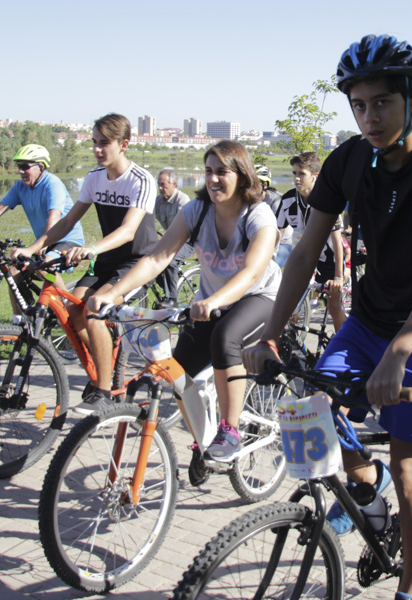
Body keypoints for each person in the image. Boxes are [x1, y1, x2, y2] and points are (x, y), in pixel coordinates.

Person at [243, 35, 412, 600]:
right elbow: (304, 252)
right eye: (358, 105)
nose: (369, 116)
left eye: (382, 102)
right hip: (368, 320)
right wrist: (271, 334)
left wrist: (401, 349)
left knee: (409, 470)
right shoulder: (349, 160)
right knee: (314, 415)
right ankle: (370, 501)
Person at [89, 140, 280, 474]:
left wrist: (213, 301)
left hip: (260, 297)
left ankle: (230, 429)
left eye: (222, 172)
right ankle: (201, 442)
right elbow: (158, 257)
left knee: (225, 339)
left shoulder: (257, 213)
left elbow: (251, 273)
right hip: (211, 302)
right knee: (179, 373)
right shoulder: (196, 210)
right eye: (208, 171)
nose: (213, 179)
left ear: (242, 175)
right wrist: (115, 293)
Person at [14, 113, 158, 413]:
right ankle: (102, 359)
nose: (97, 149)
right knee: (72, 311)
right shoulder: (94, 178)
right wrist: (33, 248)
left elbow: (128, 230)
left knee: (94, 308)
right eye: (94, 143)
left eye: (104, 143)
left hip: (135, 261)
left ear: (124, 145)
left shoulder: (141, 180)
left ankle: (103, 392)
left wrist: (91, 247)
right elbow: (68, 220)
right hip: (106, 258)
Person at [0, 144, 85, 321]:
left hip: (67, 238)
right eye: (19, 166)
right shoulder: (21, 187)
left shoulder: (52, 184)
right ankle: (19, 322)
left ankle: (68, 309)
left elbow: (54, 215)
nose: (20, 171)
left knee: (46, 265)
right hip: (43, 240)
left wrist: (44, 244)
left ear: (41, 167)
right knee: (13, 271)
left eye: (25, 166)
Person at [274, 152, 348, 330]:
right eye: (294, 173)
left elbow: (337, 241)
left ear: (315, 176)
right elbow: (277, 233)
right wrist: (268, 256)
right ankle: (291, 341)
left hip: (328, 259)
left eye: (301, 173)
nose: (296, 178)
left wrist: (338, 276)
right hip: (302, 257)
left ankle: (342, 344)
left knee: (333, 306)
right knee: (291, 302)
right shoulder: (287, 200)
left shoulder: (327, 199)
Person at [152, 169, 192, 307]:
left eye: (163, 185)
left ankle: (173, 300)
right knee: (150, 259)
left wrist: (163, 242)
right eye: (158, 184)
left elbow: (183, 229)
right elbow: (147, 219)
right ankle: (169, 286)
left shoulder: (183, 200)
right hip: (170, 239)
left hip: (188, 240)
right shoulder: (158, 201)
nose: (160, 188)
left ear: (174, 184)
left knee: (169, 260)